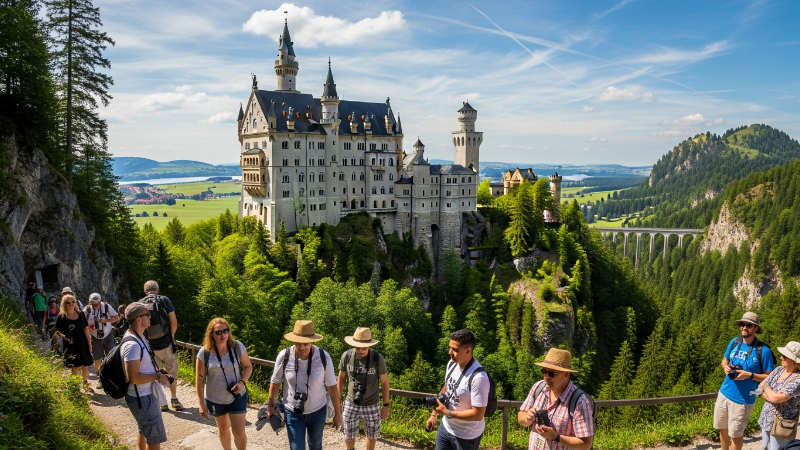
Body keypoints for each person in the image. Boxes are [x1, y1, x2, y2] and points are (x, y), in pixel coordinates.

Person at [266, 320, 343, 450]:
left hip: (318, 410)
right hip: (292, 411)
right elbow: (275, 382)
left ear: (312, 341)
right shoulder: (284, 356)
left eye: (305, 343)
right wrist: (270, 406)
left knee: (316, 446)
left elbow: (331, 386)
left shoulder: (323, 357)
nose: (301, 347)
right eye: (297, 343)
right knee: (296, 448)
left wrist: (338, 412)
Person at [716, 312, 775, 450]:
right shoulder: (734, 342)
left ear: (755, 328)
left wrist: (750, 375)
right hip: (724, 393)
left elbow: (771, 377)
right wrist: (726, 367)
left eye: (749, 325)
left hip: (743, 400)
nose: (744, 327)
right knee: (722, 429)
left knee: (736, 434)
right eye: (742, 324)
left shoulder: (763, 350)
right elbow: (724, 360)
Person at [518, 348, 595, 450]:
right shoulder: (538, 387)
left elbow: (586, 445)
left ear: (566, 374)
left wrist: (556, 437)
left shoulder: (579, 402)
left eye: (551, 373)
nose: (546, 377)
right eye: (544, 371)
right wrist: (527, 418)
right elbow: (521, 416)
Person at [426, 329, 490, 450]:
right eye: (450, 347)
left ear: (468, 351)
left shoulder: (479, 378)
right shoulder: (452, 364)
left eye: (455, 350)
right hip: (446, 428)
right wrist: (434, 414)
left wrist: (447, 413)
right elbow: (447, 386)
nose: (450, 352)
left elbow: (478, 415)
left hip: (467, 436)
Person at [196, 318, 253, 450]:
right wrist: (201, 404)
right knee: (223, 428)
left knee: (239, 433)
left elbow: (248, 367)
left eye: (225, 331)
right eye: (218, 332)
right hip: (215, 398)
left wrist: (242, 382)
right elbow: (199, 379)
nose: (223, 335)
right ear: (212, 334)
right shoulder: (204, 353)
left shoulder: (237, 346)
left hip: (236, 395)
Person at [121, 302, 171, 450]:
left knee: (143, 430)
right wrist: (157, 377)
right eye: (147, 314)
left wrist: (158, 372)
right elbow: (133, 377)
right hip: (142, 398)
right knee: (154, 440)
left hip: (142, 396)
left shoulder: (138, 337)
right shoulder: (133, 345)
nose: (150, 316)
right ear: (138, 319)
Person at [336, 327, 390, 450]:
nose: (360, 350)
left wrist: (386, 405)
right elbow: (341, 379)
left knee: (372, 434)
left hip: (372, 403)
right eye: (357, 347)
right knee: (348, 434)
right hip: (350, 402)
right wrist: (337, 401)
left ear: (369, 346)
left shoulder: (377, 358)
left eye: (363, 348)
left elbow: (385, 383)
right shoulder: (347, 356)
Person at [140, 280, 182, 411]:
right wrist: (172, 336)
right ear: (157, 290)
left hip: (150, 347)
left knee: (156, 374)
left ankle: (162, 402)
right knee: (172, 372)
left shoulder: (141, 303)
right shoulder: (163, 300)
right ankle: (174, 399)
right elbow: (174, 321)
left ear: (146, 291)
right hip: (166, 344)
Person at [758, 341, 800, 450]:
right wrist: (772, 396)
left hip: (782, 426)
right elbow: (759, 388)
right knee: (765, 448)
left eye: (784, 356)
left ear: (794, 360)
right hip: (767, 420)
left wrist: (767, 388)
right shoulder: (779, 370)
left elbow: (768, 391)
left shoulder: (798, 379)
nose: (781, 357)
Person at [54, 293, 94, 394]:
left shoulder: (80, 314)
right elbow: (57, 330)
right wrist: (65, 337)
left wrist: (89, 344)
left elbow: (86, 329)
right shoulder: (61, 316)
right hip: (70, 343)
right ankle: (75, 387)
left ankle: (85, 384)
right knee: (75, 365)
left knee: (85, 364)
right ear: (64, 304)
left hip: (82, 342)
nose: (71, 304)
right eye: (69, 302)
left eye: (73, 302)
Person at [83, 293, 119, 376]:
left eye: (97, 304)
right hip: (94, 336)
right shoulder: (87, 310)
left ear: (100, 302)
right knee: (97, 358)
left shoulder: (106, 306)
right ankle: (100, 377)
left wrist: (106, 320)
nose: (95, 306)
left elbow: (116, 317)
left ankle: (111, 376)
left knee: (111, 355)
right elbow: (82, 323)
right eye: (93, 305)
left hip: (108, 334)